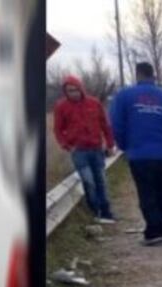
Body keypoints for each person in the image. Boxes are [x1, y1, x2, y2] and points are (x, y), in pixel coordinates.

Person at [109, 62, 162, 246]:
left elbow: (117, 125)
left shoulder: (124, 96)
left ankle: (154, 231)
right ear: (153, 75)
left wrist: (124, 146)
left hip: (139, 153)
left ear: (137, 74)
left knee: (147, 193)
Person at [53, 75, 116, 223]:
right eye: (70, 90)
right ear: (65, 92)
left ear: (81, 89)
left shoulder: (94, 103)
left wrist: (110, 144)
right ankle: (96, 211)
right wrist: (67, 145)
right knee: (89, 182)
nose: (73, 93)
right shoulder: (61, 106)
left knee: (101, 181)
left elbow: (105, 125)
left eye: (76, 90)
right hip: (79, 151)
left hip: (96, 149)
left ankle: (106, 212)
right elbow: (58, 130)